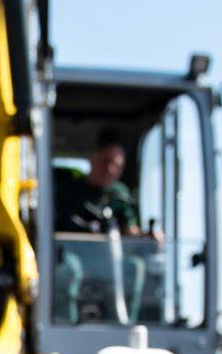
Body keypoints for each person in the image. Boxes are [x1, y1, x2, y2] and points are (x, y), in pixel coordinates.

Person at [53, 129, 152, 323]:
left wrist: (150, 237)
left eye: (117, 165)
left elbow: (130, 230)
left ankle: (124, 325)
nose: (111, 170)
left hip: (108, 260)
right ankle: (65, 323)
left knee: (134, 266)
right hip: (73, 255)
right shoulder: (69, 190)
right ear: (93, 159)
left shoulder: (119, 195)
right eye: (106, 162)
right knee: (68, 269)